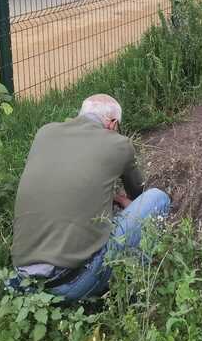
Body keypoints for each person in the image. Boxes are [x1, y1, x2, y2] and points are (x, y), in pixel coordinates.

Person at [10, 94, 170, 301]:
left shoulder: (45, 132)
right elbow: (138, 194)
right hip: (70, 283)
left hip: (23, 279)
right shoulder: (119, 144)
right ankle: (136, 291)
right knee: (158, 198)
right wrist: (126, 204)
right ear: (112, 124)